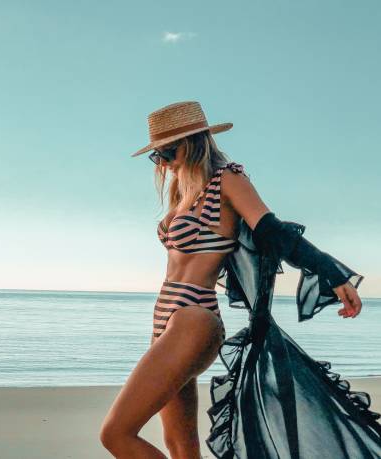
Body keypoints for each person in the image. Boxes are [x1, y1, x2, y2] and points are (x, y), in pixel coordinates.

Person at [99, 101, 381, 458]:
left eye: (168, 152)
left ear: (193, 143)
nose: (164, 163)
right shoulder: (182, 192)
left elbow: (273, 231)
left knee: (116, 434)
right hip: (164, 322)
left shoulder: (228, 179)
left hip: (194, 318)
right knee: (181, 446)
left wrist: (330, 270)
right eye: (156, 157)